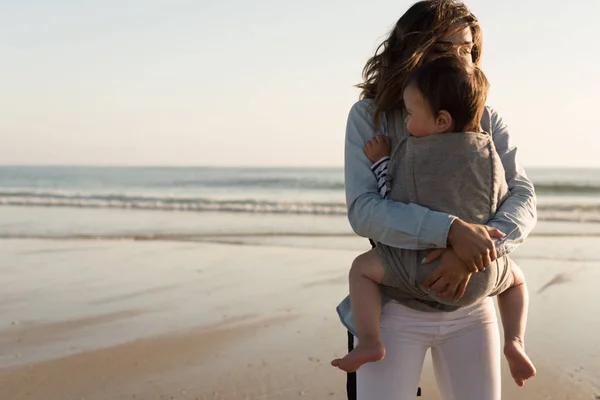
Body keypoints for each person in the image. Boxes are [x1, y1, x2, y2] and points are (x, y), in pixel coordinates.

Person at [335, 1, 538, 399]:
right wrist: (450, 231)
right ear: (414, 47)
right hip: (393, 305)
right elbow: (365, 211)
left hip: (472, 307)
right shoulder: (370, 116)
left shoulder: (487, 118)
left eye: (469, 51)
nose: (463, 59)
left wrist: (474, 251)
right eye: (449, 49)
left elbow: (522, 196)